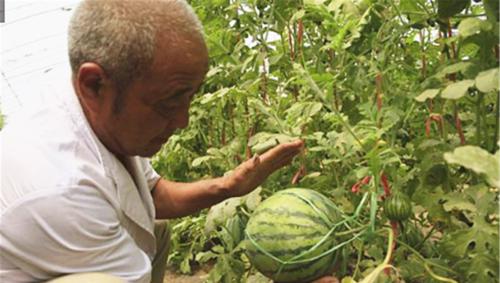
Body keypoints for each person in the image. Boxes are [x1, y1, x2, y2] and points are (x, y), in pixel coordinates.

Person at [0, 0, 304, 282]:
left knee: (152, 227)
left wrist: (227, 186)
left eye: (190, 97)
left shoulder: (100, 108)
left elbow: (152, 196)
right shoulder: (56, 190)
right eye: (169, 103)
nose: (182, 121)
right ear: (93, 85)